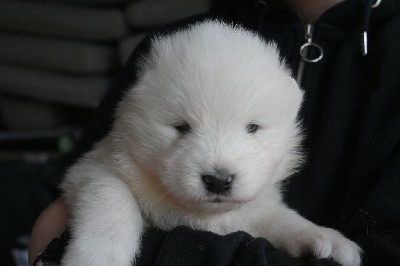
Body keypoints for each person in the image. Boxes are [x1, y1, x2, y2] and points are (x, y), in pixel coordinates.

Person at [29, 0, 400, 265]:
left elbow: (264, 215)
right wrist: (106, 234)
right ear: (136, 107)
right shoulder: (171, 53)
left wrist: (298, 232)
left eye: (253, 128)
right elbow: (93, 174)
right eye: (182, 127)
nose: (219, 170)